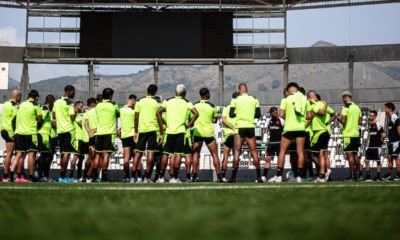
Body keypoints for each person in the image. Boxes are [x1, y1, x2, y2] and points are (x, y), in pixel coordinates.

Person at [269, 82, 312, 183]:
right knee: (300, 152)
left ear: (288, 91)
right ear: (297, 89)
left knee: (282, 152)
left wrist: (290, 115)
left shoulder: (286, 99)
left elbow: (281, 115)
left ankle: (279, 176)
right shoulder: (304, 99)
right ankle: (300, 177)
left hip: (289, 128)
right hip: (301, 128)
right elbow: (309, 115)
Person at [156, 84, 199, 183]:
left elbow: (158, 112)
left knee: (166, 154)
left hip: (169, 131)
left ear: (175, 92)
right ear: (184, 93)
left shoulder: (167, 101)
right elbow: (196, 113)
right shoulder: (187, 102)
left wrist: (162, 126)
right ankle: (174, 177)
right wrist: (189, 124)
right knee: (178, 154)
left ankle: (161, 177)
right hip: (181, 132)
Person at [229, 83, 262, 183]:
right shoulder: (254, 99)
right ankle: (259, 177)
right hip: (250, 127)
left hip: (240, 127)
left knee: (237, 152)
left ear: (239, 90)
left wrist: (239, 114)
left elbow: (231, 114)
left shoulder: (235, 100)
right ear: (247, 90)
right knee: (254, 151)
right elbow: (258, 115)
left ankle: (233, 177)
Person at [10, 90, 42, 182]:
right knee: (31, 154)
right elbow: (40, 120)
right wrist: (36, 118)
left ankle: (12, 174)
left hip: (19, 132)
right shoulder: (36, 106)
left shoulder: (21, 105)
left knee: (19, 154)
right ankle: (31, 176)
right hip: (30, 132)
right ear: (36, 97)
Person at [192, 88, 222, 182]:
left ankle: (194, 177)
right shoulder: (212, 106)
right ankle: (219, 177)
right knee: (215, 155)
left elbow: (191, 117)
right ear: (208, 94)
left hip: (197, 132)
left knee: (196, 154)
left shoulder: (195, 105)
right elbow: (214, 120)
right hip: (208, 133)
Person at [132, 84, 161, 183]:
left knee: (138, 153)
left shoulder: (140, 101)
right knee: (150, 153)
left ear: (146, 90)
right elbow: (159, 117)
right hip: (153, 130)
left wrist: (135, 131)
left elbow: (136, 117)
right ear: (155, 92)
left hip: (142, 130)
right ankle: (146, 177)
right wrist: (161, 132)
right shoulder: (157, 102)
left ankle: (133, 177)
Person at [93, 88, 120, 182]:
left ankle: (94, 177)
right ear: (110, 96)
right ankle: (104, 177)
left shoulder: (98, 106)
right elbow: (118, 114)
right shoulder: (114, 105)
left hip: (99, 132)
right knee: (106, 155)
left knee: (97, 155)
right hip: (109, 133)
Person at [53, 85, 77, 183]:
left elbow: (53, 115)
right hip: (68, 130)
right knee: (66, 154)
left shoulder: (57, 102)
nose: (74, 94)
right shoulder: (70, 102)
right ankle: (63, 177)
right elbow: (72, 117)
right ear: (70, 91)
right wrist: (75, 113)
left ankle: (62, 176)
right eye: (73, 92)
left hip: (60, 131)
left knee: (63, 154)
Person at [337, 91, 362, 181]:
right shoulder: (357, 108)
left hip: (348, 134)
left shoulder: (345, 108)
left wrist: (338, 117)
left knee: (349, 155)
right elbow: (360, 122)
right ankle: (358, 175)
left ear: (345, 97)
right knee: (355, 154)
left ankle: (352, 176)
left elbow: (343, 121)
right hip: (356, 134)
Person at [308, 90, 330, 182]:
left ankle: (323, 170)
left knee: (311, 154)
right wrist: (325, 105)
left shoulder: (313, 106)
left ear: (310, 97)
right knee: (321, 154)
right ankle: (322, 174)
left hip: (318, 132)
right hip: (325, 131)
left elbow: (321, 113)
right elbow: (331, 113)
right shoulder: (323, 103)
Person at [1, 90, 21, 182]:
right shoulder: (15, 106)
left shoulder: (6, 104)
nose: (20, 98)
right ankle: (6, 176)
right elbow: (15, 120)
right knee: (10, 154)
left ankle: (9, 175)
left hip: (3, 129)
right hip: (10, 131)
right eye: (20, 96)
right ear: (17, 96)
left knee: (10, 154)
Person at [261, 107, 284, 182]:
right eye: (273, 113)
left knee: (280, 159)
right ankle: (264, 176)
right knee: (268, 159)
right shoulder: (269, 121)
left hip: (279, 143)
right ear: (271, 114)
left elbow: (284, 130)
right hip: (271, 143)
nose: (275, 114)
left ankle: (279, 175)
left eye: (276, 112)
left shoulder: (281, 120)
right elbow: (268, 129)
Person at [117, 94, 137, 183]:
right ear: (134, 101)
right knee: (137, 157)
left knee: (126, 158)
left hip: (124, 136)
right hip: (133, 136)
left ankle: (126, 177)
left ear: (127, 100)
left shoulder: (121, 110)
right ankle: (136, 176)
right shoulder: (134, 110)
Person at [221, 92, 239, 183]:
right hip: (237, 135)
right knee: (236, 155)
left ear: (232, 97)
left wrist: (231, 127)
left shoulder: (227, 107)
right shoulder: (240, 108)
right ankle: (233, 177)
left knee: (225, 156)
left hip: (228, 134)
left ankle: (223, 177)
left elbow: (223, 120)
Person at [37, 94, 55, 182]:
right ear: (51, 101)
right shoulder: (45, 108)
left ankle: (45, 175)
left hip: (47, 135)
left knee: (49, 155)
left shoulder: (47, 109)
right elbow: (40, 119)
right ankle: (41, 175)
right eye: (54, 101)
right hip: (43, 134)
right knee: (44, 155)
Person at [364, 110, 385, 181]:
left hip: (377, 146)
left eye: (371, 115)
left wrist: (381, 143)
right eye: (369, 115)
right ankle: (368, 176)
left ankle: (378, 176)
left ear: (375, 116)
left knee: (378, 161)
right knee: (366, 160)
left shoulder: (378, 125)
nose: (370, 117)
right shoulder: (370, 125)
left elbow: (383, 135)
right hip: (370, 146)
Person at [383, 102, 400, 181]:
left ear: (389, 109)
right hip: (391, 141)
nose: (384, 110)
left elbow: (398, 127)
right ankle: (389, 174)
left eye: (385, 108)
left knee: (396, 157)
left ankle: (398, 175)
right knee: (389, 157)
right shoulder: (389, 117)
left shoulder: (393, 117)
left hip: (395, 141)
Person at [84, 96, 99, 182]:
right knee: (96, 157)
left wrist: (89, 131)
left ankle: (86, 175)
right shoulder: (98, 111)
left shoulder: (88, 112)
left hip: (90, 136)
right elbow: (101, 125)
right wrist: (94, 130)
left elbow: (85, 124)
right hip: (97, 135)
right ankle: (92, 176)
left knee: (90, 157)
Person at [69, 101, 85, 182]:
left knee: (81, 158)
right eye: (81, 106)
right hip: (78, 139)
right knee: (76, 157)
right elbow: (82, 124)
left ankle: (79, 176)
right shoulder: (76, 116)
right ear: (76, 106)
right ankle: (71, 175)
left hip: (83, 139)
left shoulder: (79, 115)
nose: (82, 108)